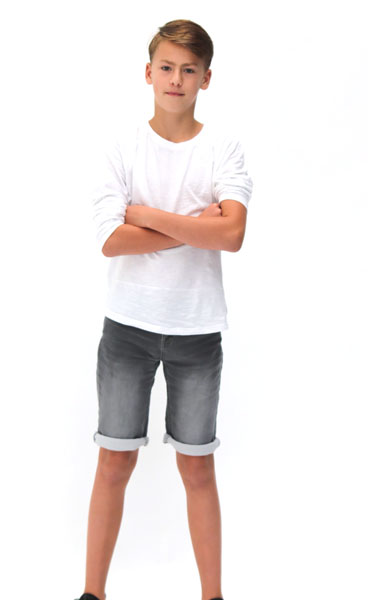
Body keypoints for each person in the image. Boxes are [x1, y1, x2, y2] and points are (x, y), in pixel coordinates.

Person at [75, 18, 253, 600]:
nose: (177, 79)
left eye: (189, 70)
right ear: (148, 73)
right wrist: (194, 226)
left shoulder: (222, 148)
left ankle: (212, 596)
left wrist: (147, 216)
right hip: (127, 329)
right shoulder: (121, 147)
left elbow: (231, 236)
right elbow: (110, 240)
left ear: (206, 78)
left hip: (197, 332)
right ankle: (92, 593)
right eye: (167, 67)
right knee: (113, 463)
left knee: (198, 467)